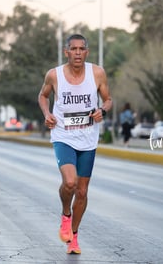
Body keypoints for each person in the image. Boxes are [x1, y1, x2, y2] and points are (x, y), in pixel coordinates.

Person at [38, 34, 112, 254]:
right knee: (70, 182)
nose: (78, 53)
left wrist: (102, 111)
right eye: (74, 49)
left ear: (86, 52)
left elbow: (108, 99)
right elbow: (43, 96)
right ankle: (65, 215)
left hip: (88, 139)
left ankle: (74, 238)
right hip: (63, 136)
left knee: (81, 191)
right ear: (66, 52)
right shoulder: (54, 74)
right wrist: (47, 113)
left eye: (82, 49)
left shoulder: (97, 73)